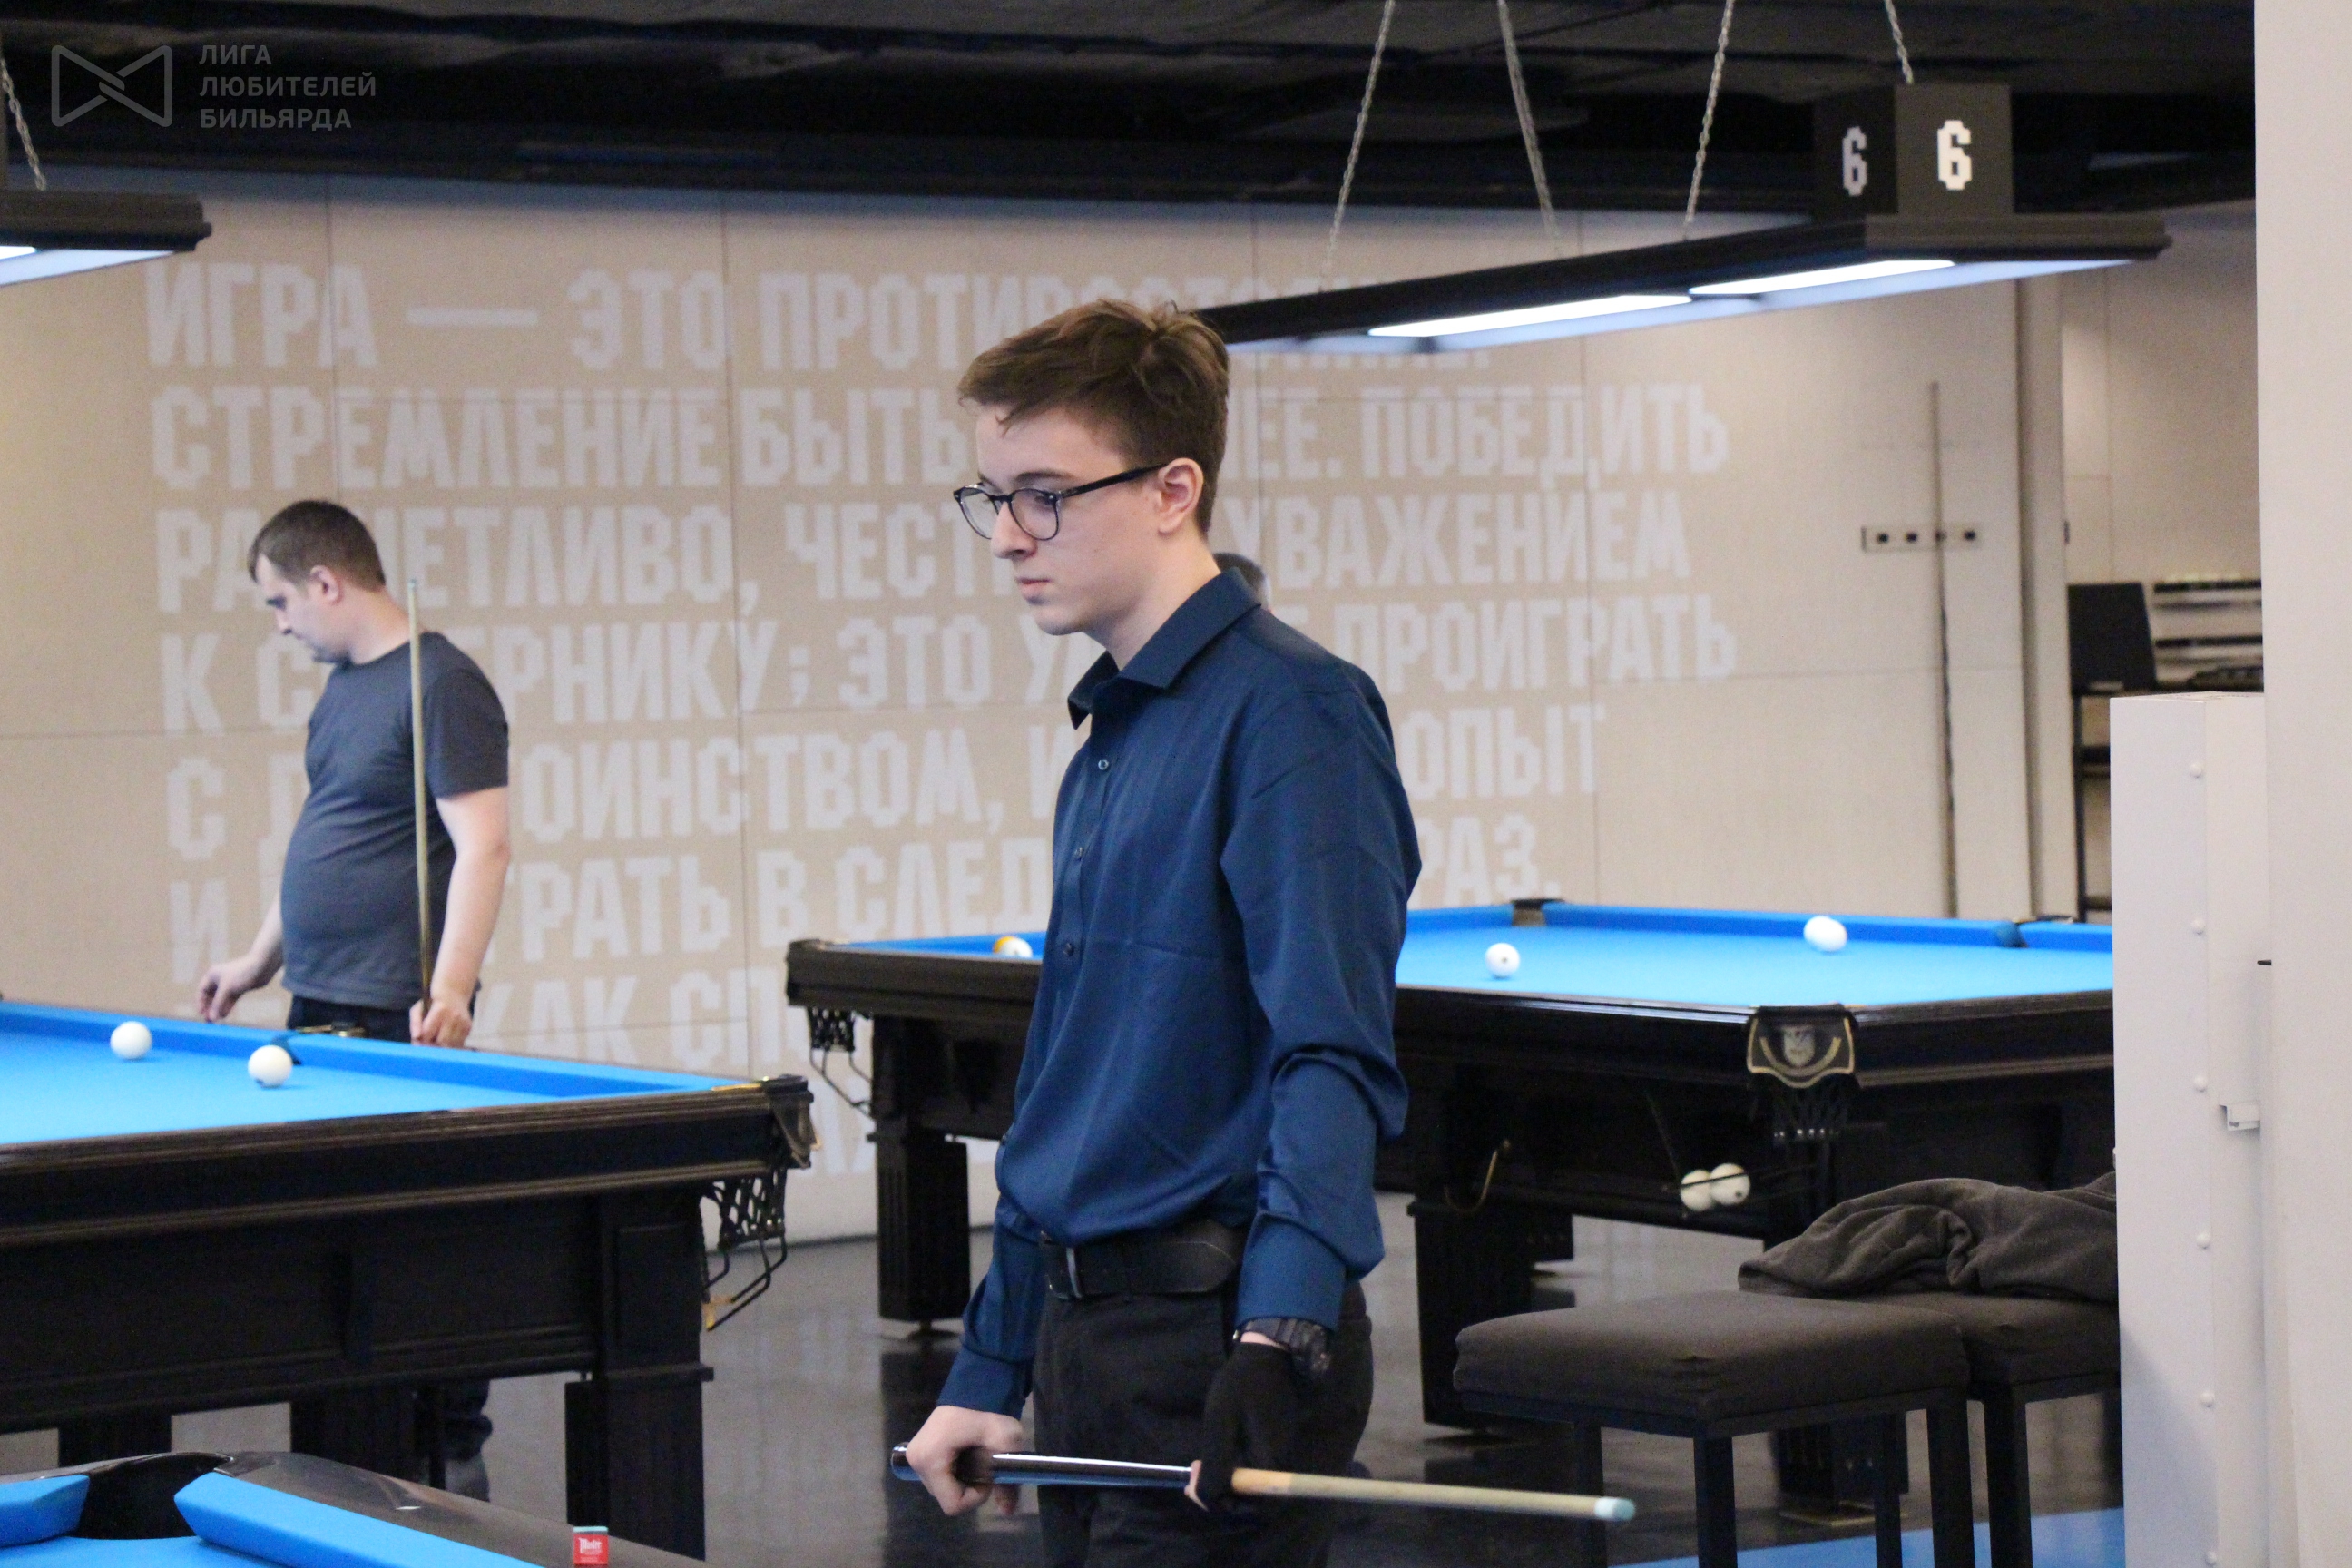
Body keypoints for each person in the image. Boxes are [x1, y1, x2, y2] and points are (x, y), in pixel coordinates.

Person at [902, 300, 1418, 1568]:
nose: (1008, 537)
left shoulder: (1295, 714)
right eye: (995, 498)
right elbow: (1070, 1087)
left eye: (1045, 497)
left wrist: (1279, 1335)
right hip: (1089, 1346)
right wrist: (992, 1364)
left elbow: (1330, 1053)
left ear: (1173, 489)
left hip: (1216, 1340)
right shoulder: (1114, 733)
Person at [195, 498, 513, 1498]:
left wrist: (450, 987)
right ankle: (357, 1444)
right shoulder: (343, 690)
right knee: (338, 1235)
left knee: (422, 1237)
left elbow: (484, 847)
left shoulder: (442, 684)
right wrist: (257, 959)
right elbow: (330, 826)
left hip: (392, 1010)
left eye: (280, 602)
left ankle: (450, 1443)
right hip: (317, 997)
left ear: (326, 583)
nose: (279, 624)